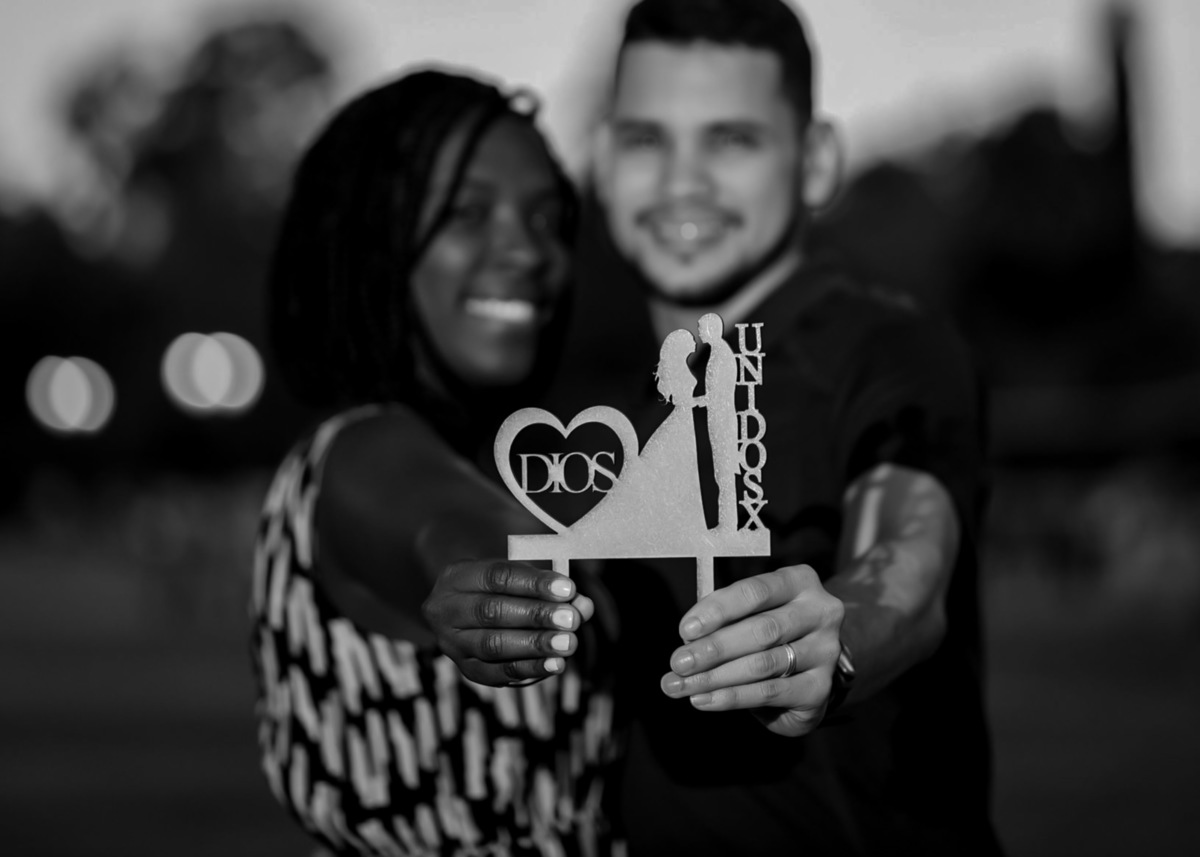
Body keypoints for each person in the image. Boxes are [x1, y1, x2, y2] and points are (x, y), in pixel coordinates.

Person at [393, 0, 1002, 853]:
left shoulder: (885, 347)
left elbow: (911, 554)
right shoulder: (625, 416)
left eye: (731, 140)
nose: (683, 181)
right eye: (647, 139)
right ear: (602, 158)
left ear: (817, 161)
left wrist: (844, 630)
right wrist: (484, 602)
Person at [249, 69, 620, 856]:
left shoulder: (479, 454)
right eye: (466, 212)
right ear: (371, 237)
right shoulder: (362, 449)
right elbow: (441, 525)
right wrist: (478, 570)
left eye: (549, 218)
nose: (527, 249)